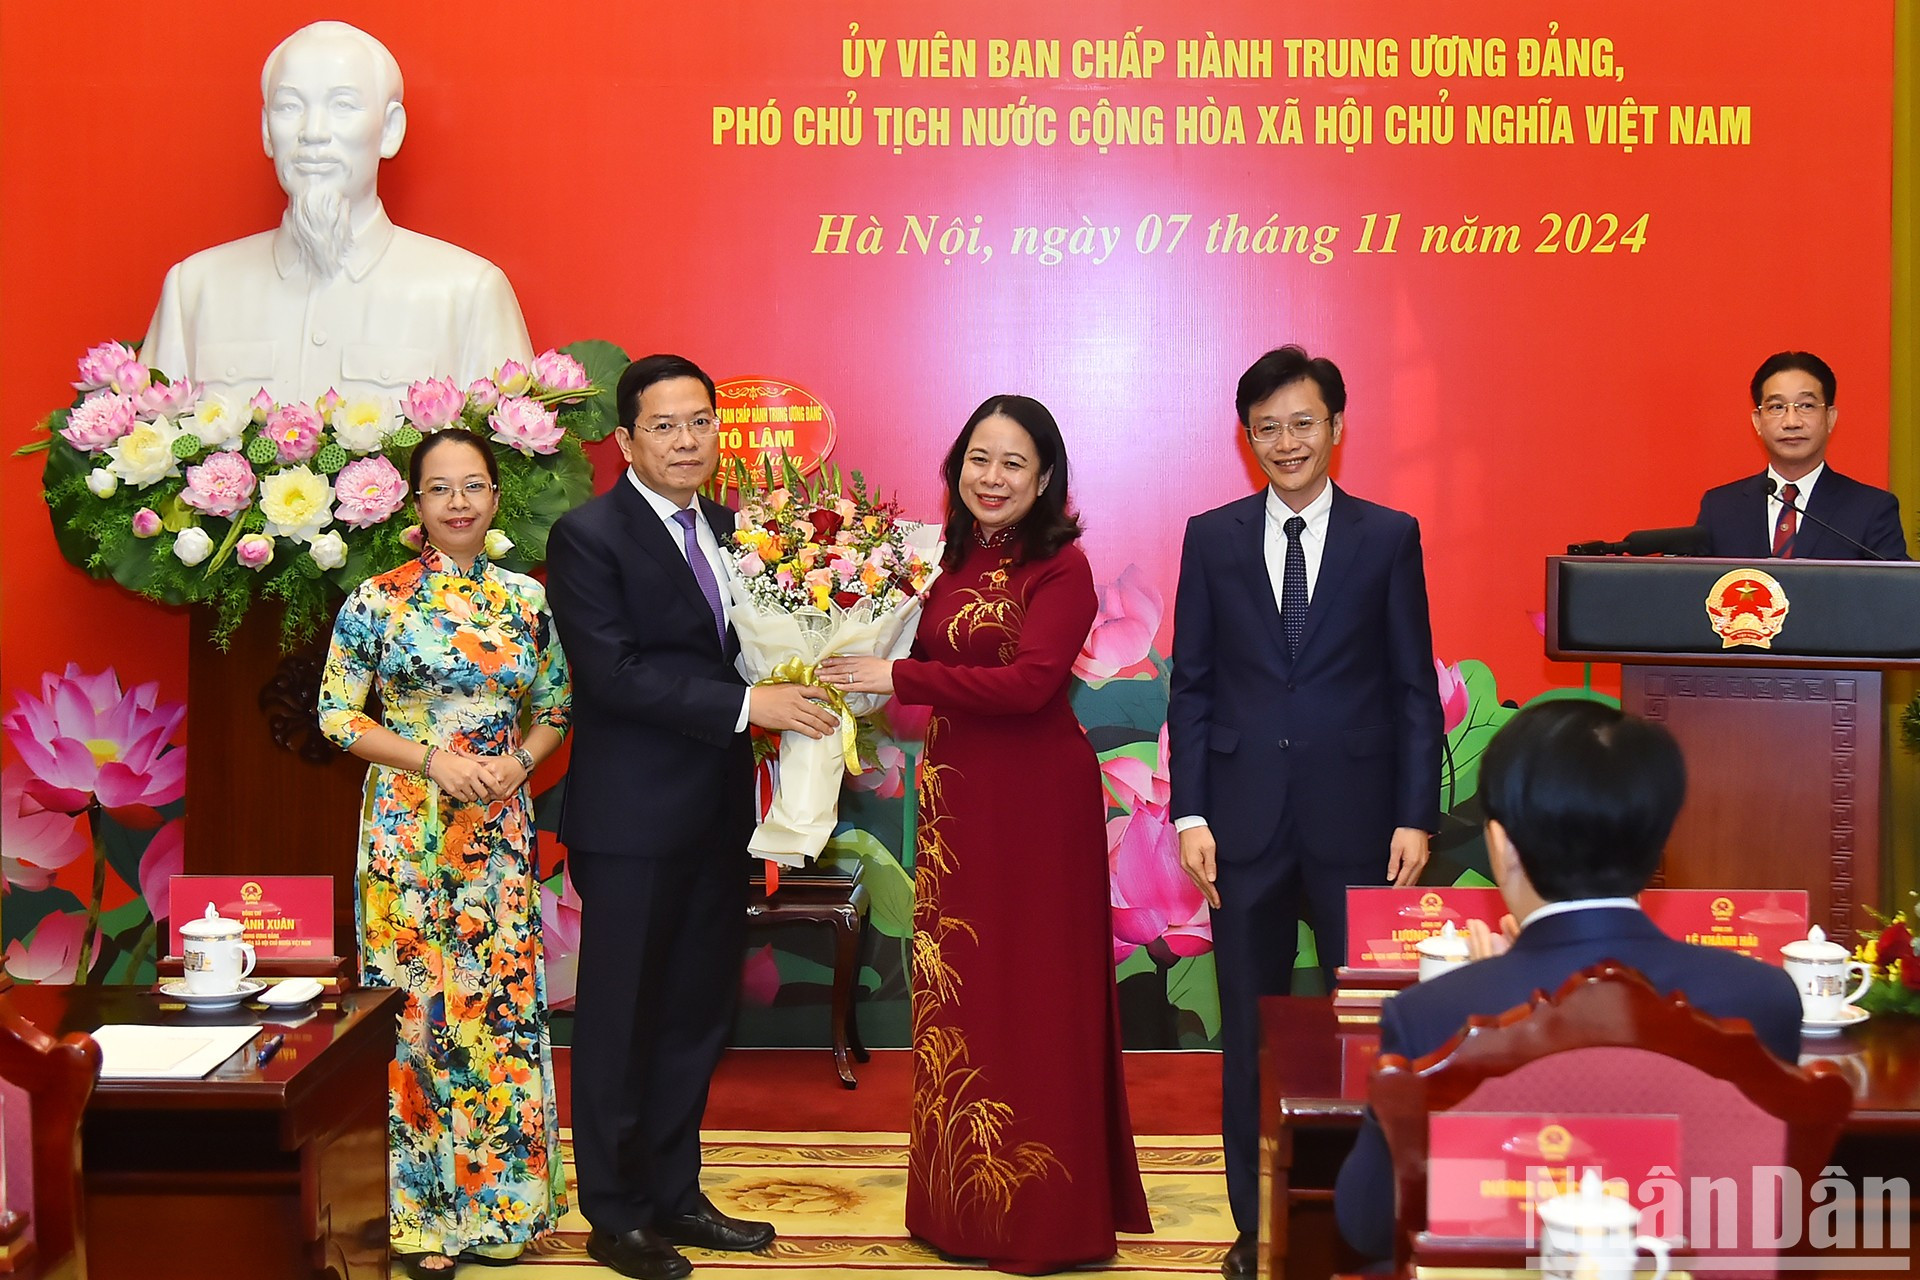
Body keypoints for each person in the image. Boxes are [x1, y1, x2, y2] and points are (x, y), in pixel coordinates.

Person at [821, 396, 1151, 1273]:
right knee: (961, 995)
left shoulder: (1062, 568)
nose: (991, 478)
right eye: (978, 459)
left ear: (1044, 478)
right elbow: (912, 683)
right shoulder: (940, 560)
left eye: (1012, 463)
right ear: (956, 466)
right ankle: (960, 1207)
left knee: (1039, 997)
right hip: (957, 801)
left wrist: (897, 670)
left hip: (1039, 806)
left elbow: (1033, 686)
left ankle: (1047, 1219)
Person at [543, 355, 839, 1280]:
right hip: (631, 822)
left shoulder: (736, 531)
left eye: (700, 422)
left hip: (719, 819)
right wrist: (755, 709)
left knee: (695, 1014)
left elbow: (757, 648)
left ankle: (675, 1191)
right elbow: (615, 673)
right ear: (626, 440)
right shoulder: (588, 536)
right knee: (624, 1017)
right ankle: (616, 1212)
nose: (687, 441)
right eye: (664, 426)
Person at [1332, 701, 1806, 1262]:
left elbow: (1366, 1224)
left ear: (1502, 845)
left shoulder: (1434, 1013)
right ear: (1656, 843)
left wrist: (1481, 985)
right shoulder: (1763, 998)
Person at [1165, 345, 1443, 1278]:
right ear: (1247, 440)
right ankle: (1257, 1229)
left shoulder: (1388, 536)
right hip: (1239, 828)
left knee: (1365, 1030)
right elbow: (1192, 688)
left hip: (1361, 823)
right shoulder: (1212, 537)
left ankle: (1362, 1221)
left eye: (1302, 423)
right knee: (1251, 1031)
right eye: (1266, 428)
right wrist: (1190, 813)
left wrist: (1416, 815)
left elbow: (1412, 689)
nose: (1286, 442)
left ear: (1336, 428)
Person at [317, 428, 569, 1277]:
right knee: (418, 1011)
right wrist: (434, 760)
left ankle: (505, 1210)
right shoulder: (375, 601)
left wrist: (516, 763)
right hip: (407, 829)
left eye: (473, 485)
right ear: (414, 506)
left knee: (497, 1011)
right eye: (438, 488)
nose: (458, 501)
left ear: (497, 498)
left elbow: (558, 707)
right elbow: (338, 716)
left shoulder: (527, 601)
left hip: (497, 829)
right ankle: (425, 1219)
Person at [142, 21, 532, 405]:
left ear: (390, 129)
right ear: (266, 128)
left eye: (343, 105)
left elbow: (510, 459)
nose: (312, 131)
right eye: (289, 106)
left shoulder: (468, 294)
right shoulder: (194, 290)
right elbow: (143, 448)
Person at [1694, 351, 1909, 560]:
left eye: (1806, 406)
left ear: (1830, 418)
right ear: (1758, 422)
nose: (1791, 422)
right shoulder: (1720, 508)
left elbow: (1895, 591)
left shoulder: (1871, 509)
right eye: (1777, 407)